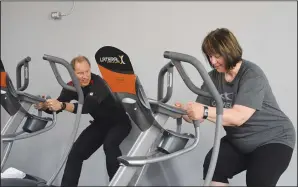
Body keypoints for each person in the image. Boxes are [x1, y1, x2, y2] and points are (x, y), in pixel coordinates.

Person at [175, 28, 296, 187]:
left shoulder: (252, 74)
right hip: (239, 141)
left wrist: (203, 111)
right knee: (214, 166)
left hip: (273, 139)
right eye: (209, 56)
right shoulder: (213, 78)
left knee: (258, 181)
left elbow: (239, 117)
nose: (212, 61)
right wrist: (182, 111)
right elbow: (199, 113)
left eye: (217, 56)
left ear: (229, 51)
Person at [35, 55, 132, 186]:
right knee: (75, 154)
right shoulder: (71, 86)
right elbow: (58, 106)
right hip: (100, 125)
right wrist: (46, 106)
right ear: (72, 73)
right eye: (80, 73)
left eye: (87, 71)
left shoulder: (98, 83)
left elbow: (86, 107)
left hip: (119, 123)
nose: (85, 76)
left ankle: (117, 184)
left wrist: (62, 105)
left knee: (110, 145)